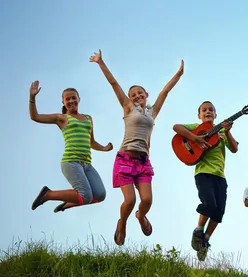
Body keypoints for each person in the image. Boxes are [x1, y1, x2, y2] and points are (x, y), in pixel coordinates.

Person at [89, 49, 184, 246]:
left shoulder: (152, 112)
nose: (136, 96)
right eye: (133, 94)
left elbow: (164, 92)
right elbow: (114, 83)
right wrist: (101, 62)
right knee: (130, 200)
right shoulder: (128, 108)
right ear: (129, 98)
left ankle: (141, 216)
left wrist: (178, 74)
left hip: (142, 162)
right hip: (124, 160)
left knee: (147, 200)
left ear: (146, 94)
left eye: (140, 93)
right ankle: (122, 223)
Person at [29, 81, 112, 213]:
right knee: (86, 196)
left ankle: (67, 204)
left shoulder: (88, 118)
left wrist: (104, 148)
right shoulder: (61, 118)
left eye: (74, 97)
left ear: (79, 99)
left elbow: (91, 142)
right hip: (71, 161)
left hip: (87, 164)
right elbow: (35, 117)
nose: (71, 100)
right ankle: (48, 194)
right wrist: (32, 98)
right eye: (67, 99)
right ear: (63, 102)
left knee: (100, 194)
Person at [172, 101, 238, 261]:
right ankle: (198, 230)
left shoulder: (222, 130)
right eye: (204, 110)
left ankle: (205, 240)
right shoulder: (195, 126)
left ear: (216, 115)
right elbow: (176, 127)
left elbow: (235, 148)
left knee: (219, 211)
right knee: (209, 204)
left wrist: (227, 132)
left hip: (220, 176)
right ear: (199, 115)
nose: (208, 111)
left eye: (211, 110)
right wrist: (195, 138)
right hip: (203, 172)